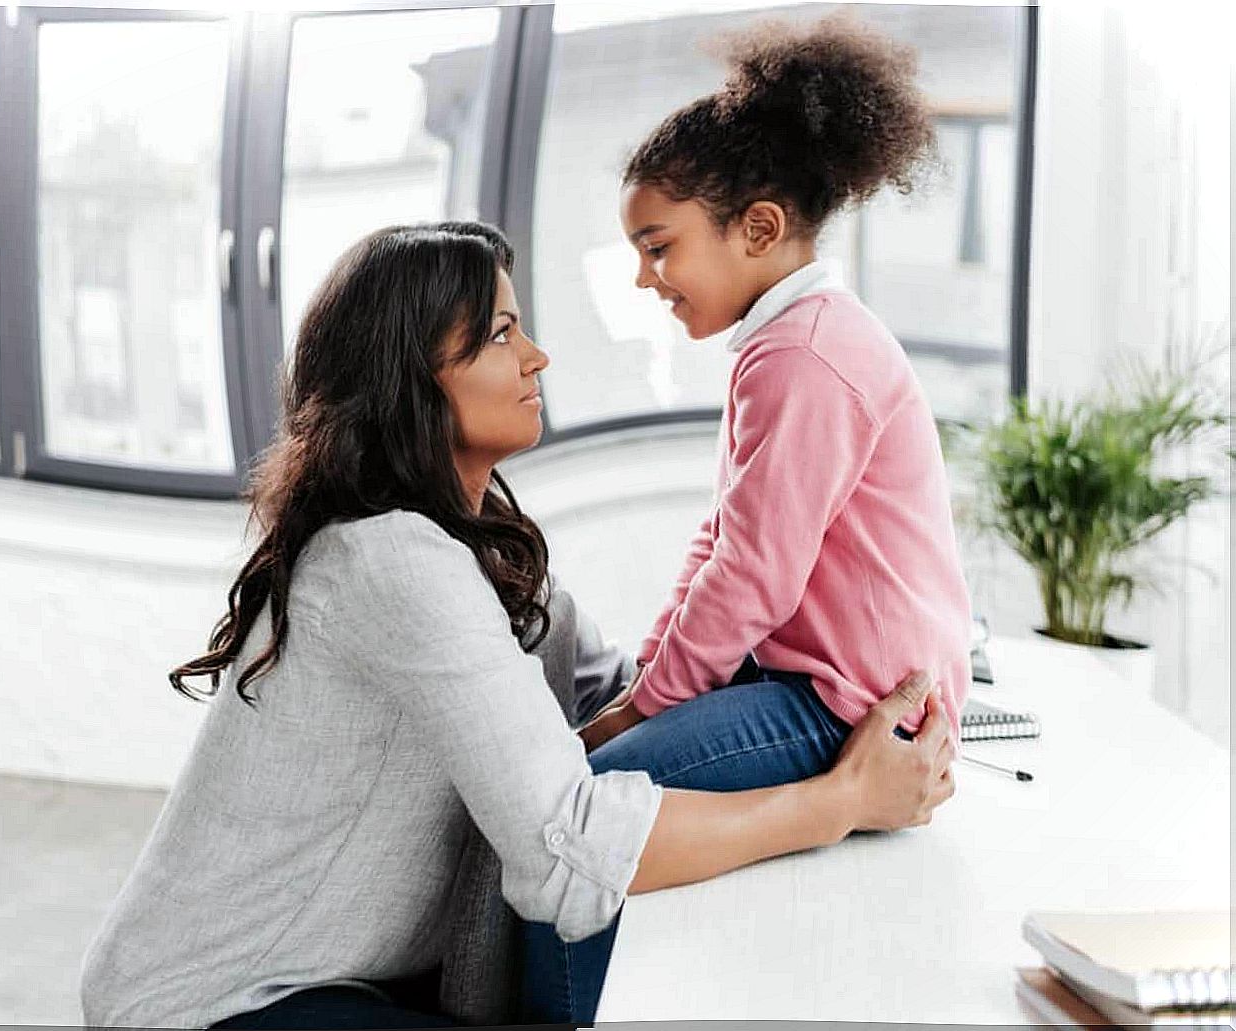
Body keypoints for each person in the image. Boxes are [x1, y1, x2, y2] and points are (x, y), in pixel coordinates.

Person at [78, 221, 955, 1031]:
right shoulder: (387, 560)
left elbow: (622, 700)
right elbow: (566, 845)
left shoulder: (479, 561)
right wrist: (839, 801)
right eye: (500, 334)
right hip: (216, 1003)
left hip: (346, 981)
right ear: (412, 375)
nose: (536, 356)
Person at [520, 14, 975, 1023]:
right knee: (604, 762)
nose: (645, 277)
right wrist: (655, 676)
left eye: (658, 246)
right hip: (814, 683)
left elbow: (753, 575)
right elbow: (724, 539)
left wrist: (642, 711)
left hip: (844, 704)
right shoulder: (791, 344)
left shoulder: (807, 356)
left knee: (584, 807)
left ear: (758, 229)